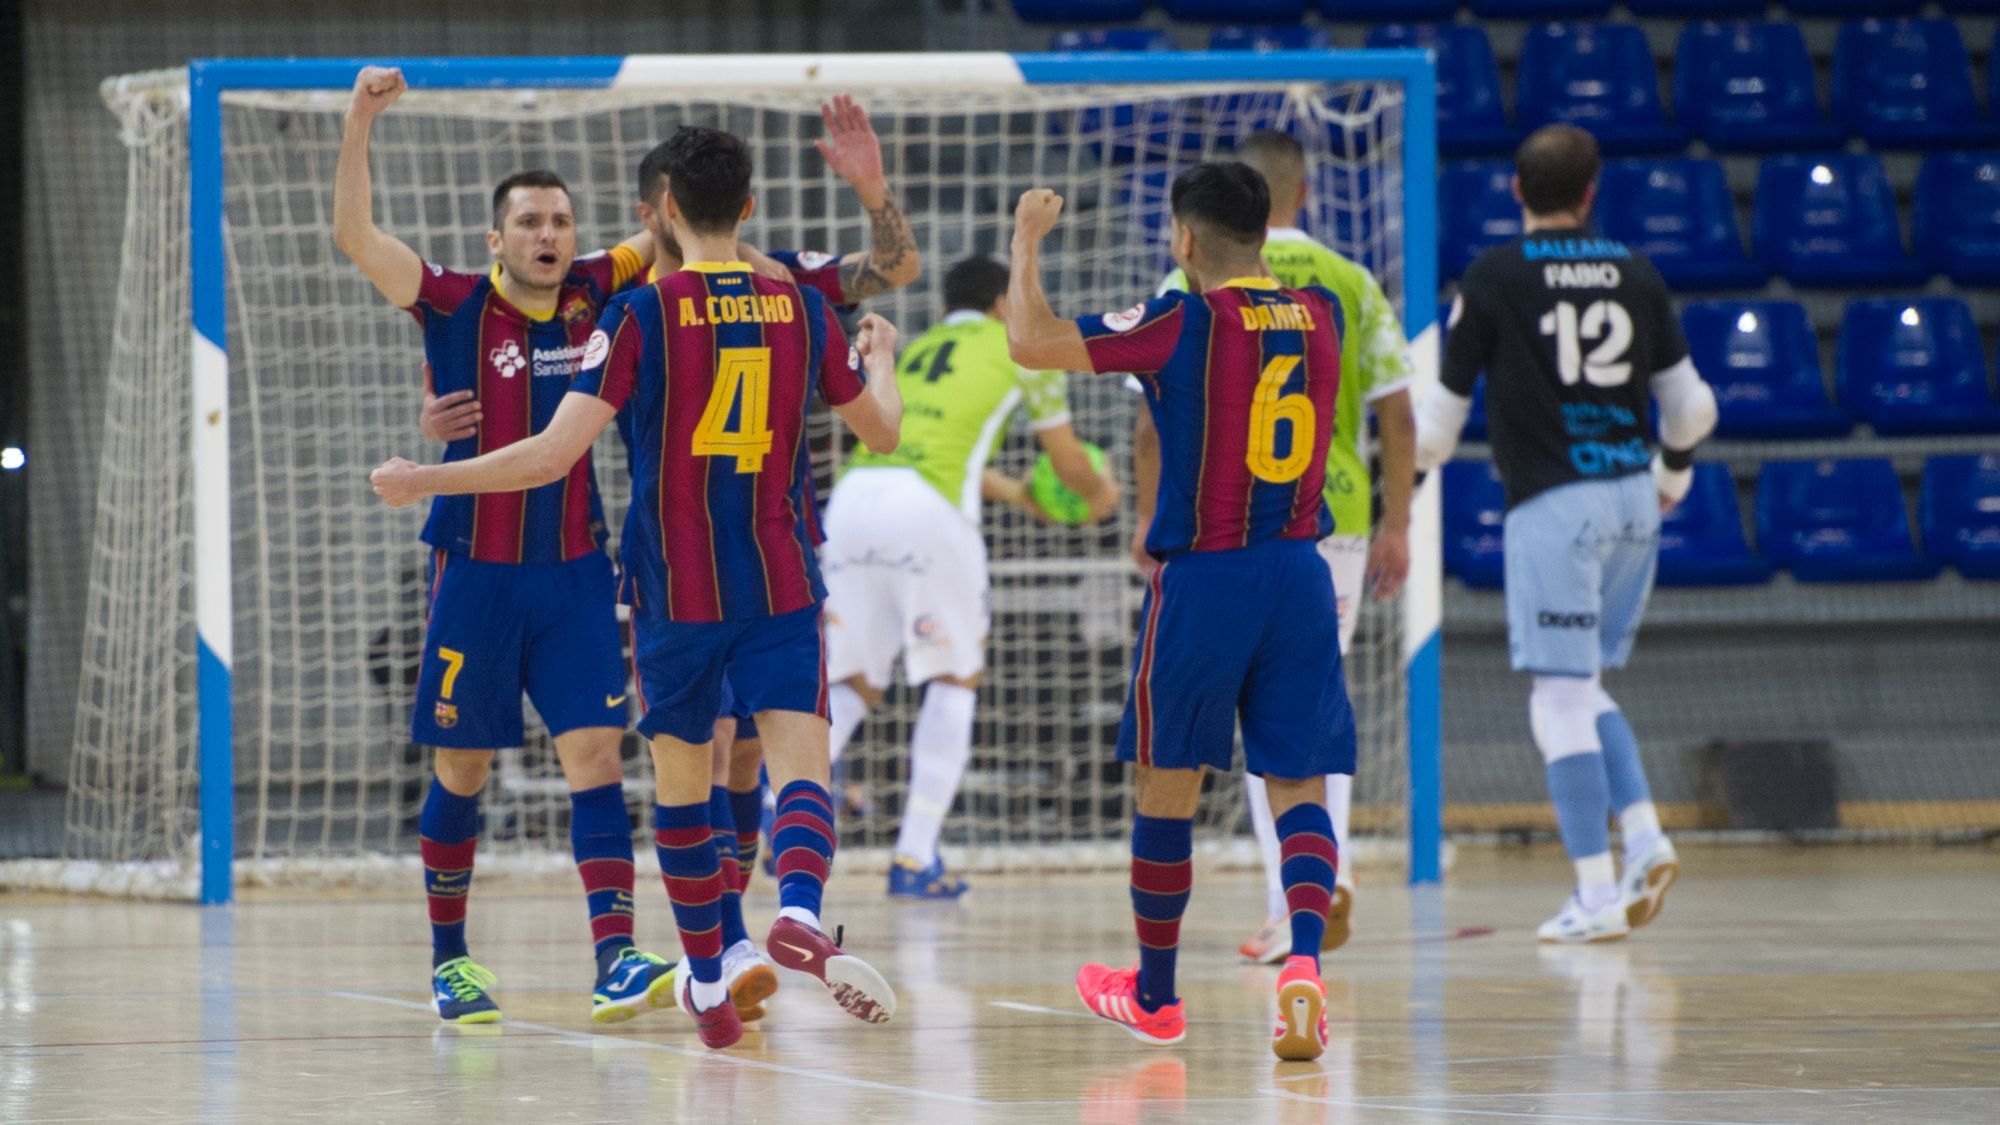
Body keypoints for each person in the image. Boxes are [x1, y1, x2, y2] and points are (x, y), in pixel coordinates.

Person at [370, 124, 906, 1051]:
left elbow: (548, 455)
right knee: (796, 770)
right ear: (747, 206)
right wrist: (884, 361)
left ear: (659, 212)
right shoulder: (801, 309)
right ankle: (802, 909)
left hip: (672, 590)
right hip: (779, 578)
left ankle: (706, 971)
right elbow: (885, 431)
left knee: (682, 793)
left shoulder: (637, 316)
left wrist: (426, 476)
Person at [333, 64, 674, 1026]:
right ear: (497, 238)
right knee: (463, 771)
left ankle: (615, 957)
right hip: (474, 576)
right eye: (529, 222)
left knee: (598, 758)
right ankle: (451, 962)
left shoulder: (602, 286)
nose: (549, 236)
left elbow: (676, 223)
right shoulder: (448, 300)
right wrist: (361, 118)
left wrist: (693, 163)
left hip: (572, 575)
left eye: (561, 220)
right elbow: (355, 236)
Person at [1005, 165, 1354, 1062]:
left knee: (1169, 781)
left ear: (1186, 241)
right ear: (1266, 234)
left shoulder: (1181, 320)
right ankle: (1304, 961)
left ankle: (1156, 994)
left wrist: (1027, 240)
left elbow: (1032, 343)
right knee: (1299, 782)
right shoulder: (1323, 312)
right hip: (1301, 573)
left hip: (1207, 577)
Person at [1413, 124, 1716, 944]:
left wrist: (1402, 484)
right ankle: (1645, 840)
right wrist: (1674, 475)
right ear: (1591, 192)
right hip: (1632, 503)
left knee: (1557, 701)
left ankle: (1591, 893)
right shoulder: (1636, 271)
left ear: (1517, 189)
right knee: (1580, 689)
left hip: (1555, 503)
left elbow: (1438, 426)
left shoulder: (1494, 276)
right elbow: (1692, 409)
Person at [1134, 129, 1416, 963]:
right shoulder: (1349, 282)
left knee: (1246, 732)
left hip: (1223, 532)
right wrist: (1399, 520)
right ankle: (1328, 883)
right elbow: (1398, 413)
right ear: (1304, 194)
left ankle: (1274, 911)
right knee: (1309, 717)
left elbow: (1152, 425)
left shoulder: (1189, 283)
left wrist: (1154, 527)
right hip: (1334, 525)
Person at [819, 254, 1120, 900]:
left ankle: (775, 811)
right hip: (928, 511)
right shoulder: (1021, 348)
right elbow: (1068, 461)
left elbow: (931, 447)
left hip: (851, 503)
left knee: (853, 679)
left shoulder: (923, 346)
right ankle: (914, 855)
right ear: (1004, 303)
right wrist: (1100, 495)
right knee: (955, 676)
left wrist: (1019, 495)